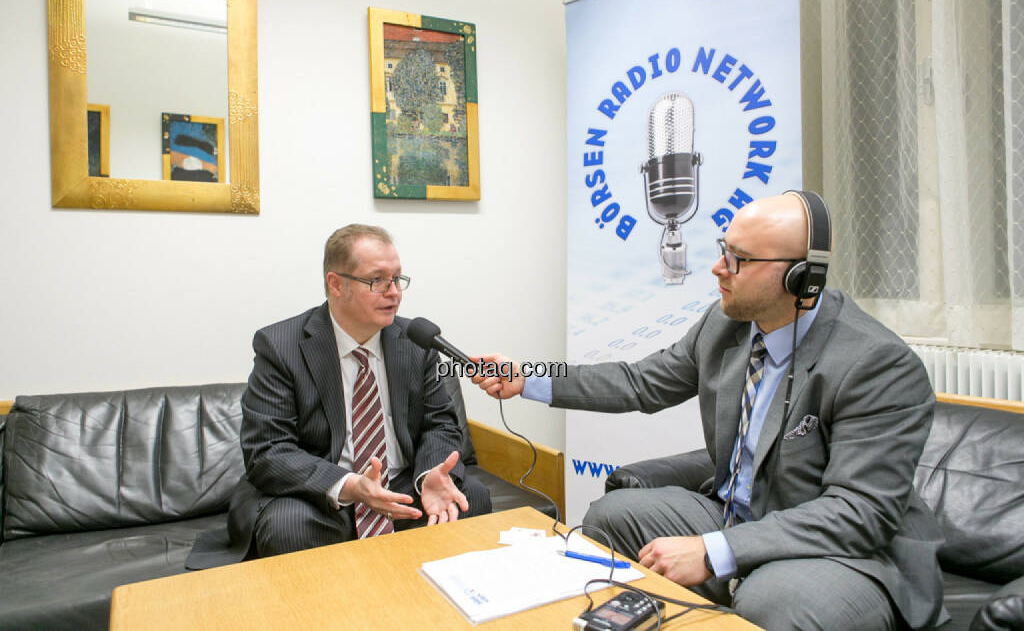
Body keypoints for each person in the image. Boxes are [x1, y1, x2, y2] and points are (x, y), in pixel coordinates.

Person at [471, 193, 945, 630]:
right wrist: (527, 377)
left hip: (842, 550)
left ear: (800, 276)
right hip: (736, 515)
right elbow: (640, 382)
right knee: (615, 515)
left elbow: (859, 512)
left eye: (738, 259)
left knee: (773, 599)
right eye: (724, 249)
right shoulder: (725, 325)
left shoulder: (877, 364)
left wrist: (716, 549)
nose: (718, 267)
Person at [187, 224, 490, 568]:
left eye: (398, 279)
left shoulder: (415, 343)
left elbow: (441, 425)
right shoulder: (281, 346)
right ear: (336, 283)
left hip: (401, 486)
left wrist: (431, 475)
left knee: (471, 498)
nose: (394, 293)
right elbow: (267, 451)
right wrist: (350, 485)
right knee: (288, 526)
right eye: (377, 280)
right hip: (322, 494)